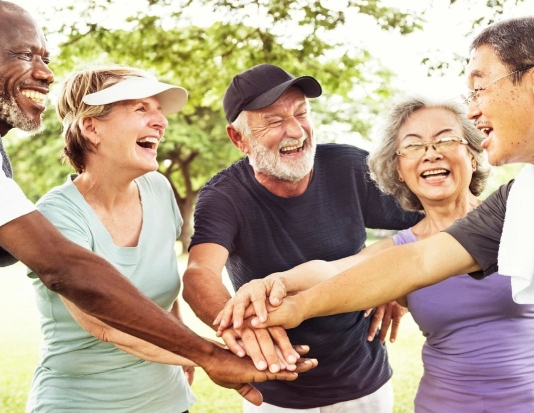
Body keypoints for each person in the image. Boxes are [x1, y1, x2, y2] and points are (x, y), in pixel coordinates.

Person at [0, 2, 314, 403]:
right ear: (91, 127)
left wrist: (183, 349)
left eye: (159, 110)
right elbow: (105, 326)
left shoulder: (158, 189)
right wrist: (210, 355)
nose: (161, 121)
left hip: (169, 398)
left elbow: (160, 295)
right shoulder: (57, 215)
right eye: (140, 109)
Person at [240, 18, 534, 394]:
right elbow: (407, 263)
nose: (430, 154)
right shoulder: (516, 203)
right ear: (398, 168)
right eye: (413, 145)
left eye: (445, 139)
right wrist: (277, 289)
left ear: (472, 154)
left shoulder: (513, 210)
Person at [182, 63, 421, 412]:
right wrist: (246, 329)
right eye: (274, 121)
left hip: (363, 383)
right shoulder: (223, 196)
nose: (295, 130)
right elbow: (199, 273)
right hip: (275, 391)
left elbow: (436, 216)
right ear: (239, 139)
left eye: (301, 113)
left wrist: (396, 283)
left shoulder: (349, 166)